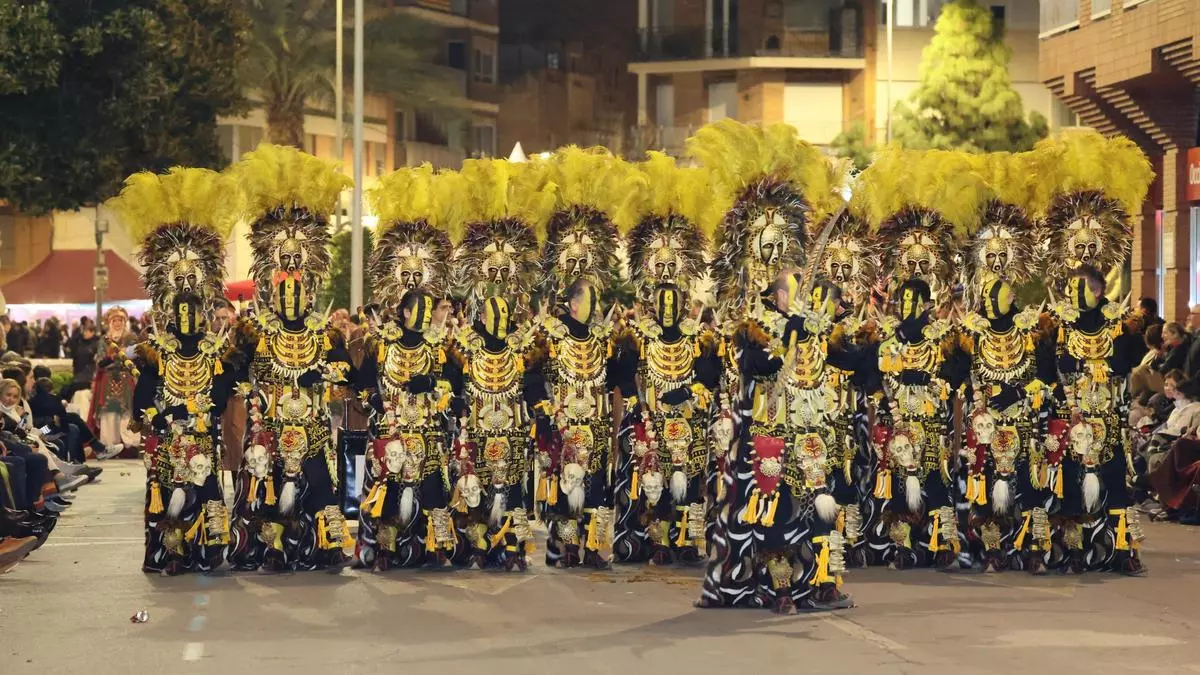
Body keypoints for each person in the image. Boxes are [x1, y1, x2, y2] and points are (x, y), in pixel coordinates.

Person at [105, 167, 248, 575]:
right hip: (168, 437)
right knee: (166, 492)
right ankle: (169, 550)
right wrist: (159, 415)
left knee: (205, 489)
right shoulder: (155, 352)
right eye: (179, 310)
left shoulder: (217, 352)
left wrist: (205, 407)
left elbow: (223, 391)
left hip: (202, 435)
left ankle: (208, 549)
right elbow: (143, 397)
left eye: (193, 310)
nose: (186, 317)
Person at [226, 144, 354, 572]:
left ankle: (327, 547)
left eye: (298, 293)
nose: (292, 300)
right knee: (267, 485)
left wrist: (327, 374)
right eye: (284, 292)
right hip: (270, 427)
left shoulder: (324, 333)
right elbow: (232, 368)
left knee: (320, 486)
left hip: (312, 429)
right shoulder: (256, 332)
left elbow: (347, 370)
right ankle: (272, 549)